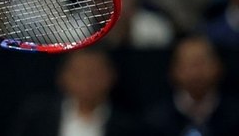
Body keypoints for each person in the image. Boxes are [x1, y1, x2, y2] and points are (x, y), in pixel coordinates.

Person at [9, 48, 143, 136]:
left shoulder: (129, 127)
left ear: (112, 76)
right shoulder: (36, 117)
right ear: (62, 77)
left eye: (94, 74)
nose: (87, 81)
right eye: (79, 73)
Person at [143, 35, 239, 136]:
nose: (196, 72)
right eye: (188, 64)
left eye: (202, 63)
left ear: (218, 67)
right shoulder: (156, 121)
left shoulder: (235, 118)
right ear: (173, 71)